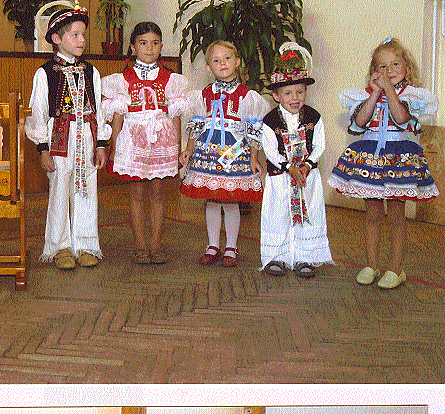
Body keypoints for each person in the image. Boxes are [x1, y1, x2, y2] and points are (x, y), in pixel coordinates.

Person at [328, 37, 439, 288]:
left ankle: (396, 269)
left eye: (395, 64)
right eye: (382, 66)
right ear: (374, 71)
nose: (389, 70)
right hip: (371, 160)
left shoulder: (410, 96)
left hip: (398, 160)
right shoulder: (366, 95)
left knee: (397, 215)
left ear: (407, 67)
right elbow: (359, 124)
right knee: (373, 214)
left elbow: (401, 118)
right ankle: (371, 265)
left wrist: (388, 90)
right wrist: (376, 91)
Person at [24, 1, 111, 269]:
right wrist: (43, 148)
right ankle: (59, 246)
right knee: (60, 188)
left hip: (87, 136)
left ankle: (85, 244)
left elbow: (99, 109)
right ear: (56, 38)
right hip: (59, 138)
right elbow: (38, 111)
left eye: (83, 34)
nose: (81, 40)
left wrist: (101, 143)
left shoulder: (91, 71)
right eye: (74, 35)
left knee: (86, 188)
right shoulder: (45, 73)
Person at [101, 22, 187, 264]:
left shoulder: (170, 79)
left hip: (162, 141)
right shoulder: (123, 79)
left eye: (155, 43)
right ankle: (140, 246)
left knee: (158, 194)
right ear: (133, 47)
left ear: (161, 46)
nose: (149, 48)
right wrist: (115, 146)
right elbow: (118, 116)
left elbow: (176, 116)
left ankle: (156, 245)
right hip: (134, 141)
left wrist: (178, 148)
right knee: (137, 193)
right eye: (143, 43)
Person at [179, 40, 268, 268]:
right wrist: (189, 149)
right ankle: (212, 245)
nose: (223, 63)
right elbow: (197, 124)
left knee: (230, 201)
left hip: (234, 153)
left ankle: (231, 246)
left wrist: (254, 157)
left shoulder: (247, 96)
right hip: (208, 153)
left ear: (237, 62)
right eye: (216, 60)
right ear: (209, 67)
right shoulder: (204, 95)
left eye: (227, 58)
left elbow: (253, 129)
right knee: (211, 200)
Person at [259, 43, 333, 277]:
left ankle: (305, 256)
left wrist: (308, 165)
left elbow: (319, 144)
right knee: (278, 215)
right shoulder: (270, 121)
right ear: (276, 95)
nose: (295, 98)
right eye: (288, 93)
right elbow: (270, 150)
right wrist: (288, 167)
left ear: (306, 92)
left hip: (306, 178)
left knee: (307, 215)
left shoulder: (314, 117)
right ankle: (277, 256)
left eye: (299, 92)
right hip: (280, 179)